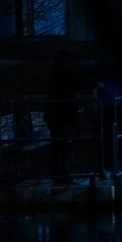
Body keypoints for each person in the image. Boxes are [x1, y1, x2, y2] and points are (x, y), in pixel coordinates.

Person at [45, 51, 80, 185]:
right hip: (60, 117)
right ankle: (60, 174)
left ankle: (61, 173)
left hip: (61, 117)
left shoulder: (59, 76)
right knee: (60, 146)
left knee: (62, 146)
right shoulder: (62, 76)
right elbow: (76, 84)